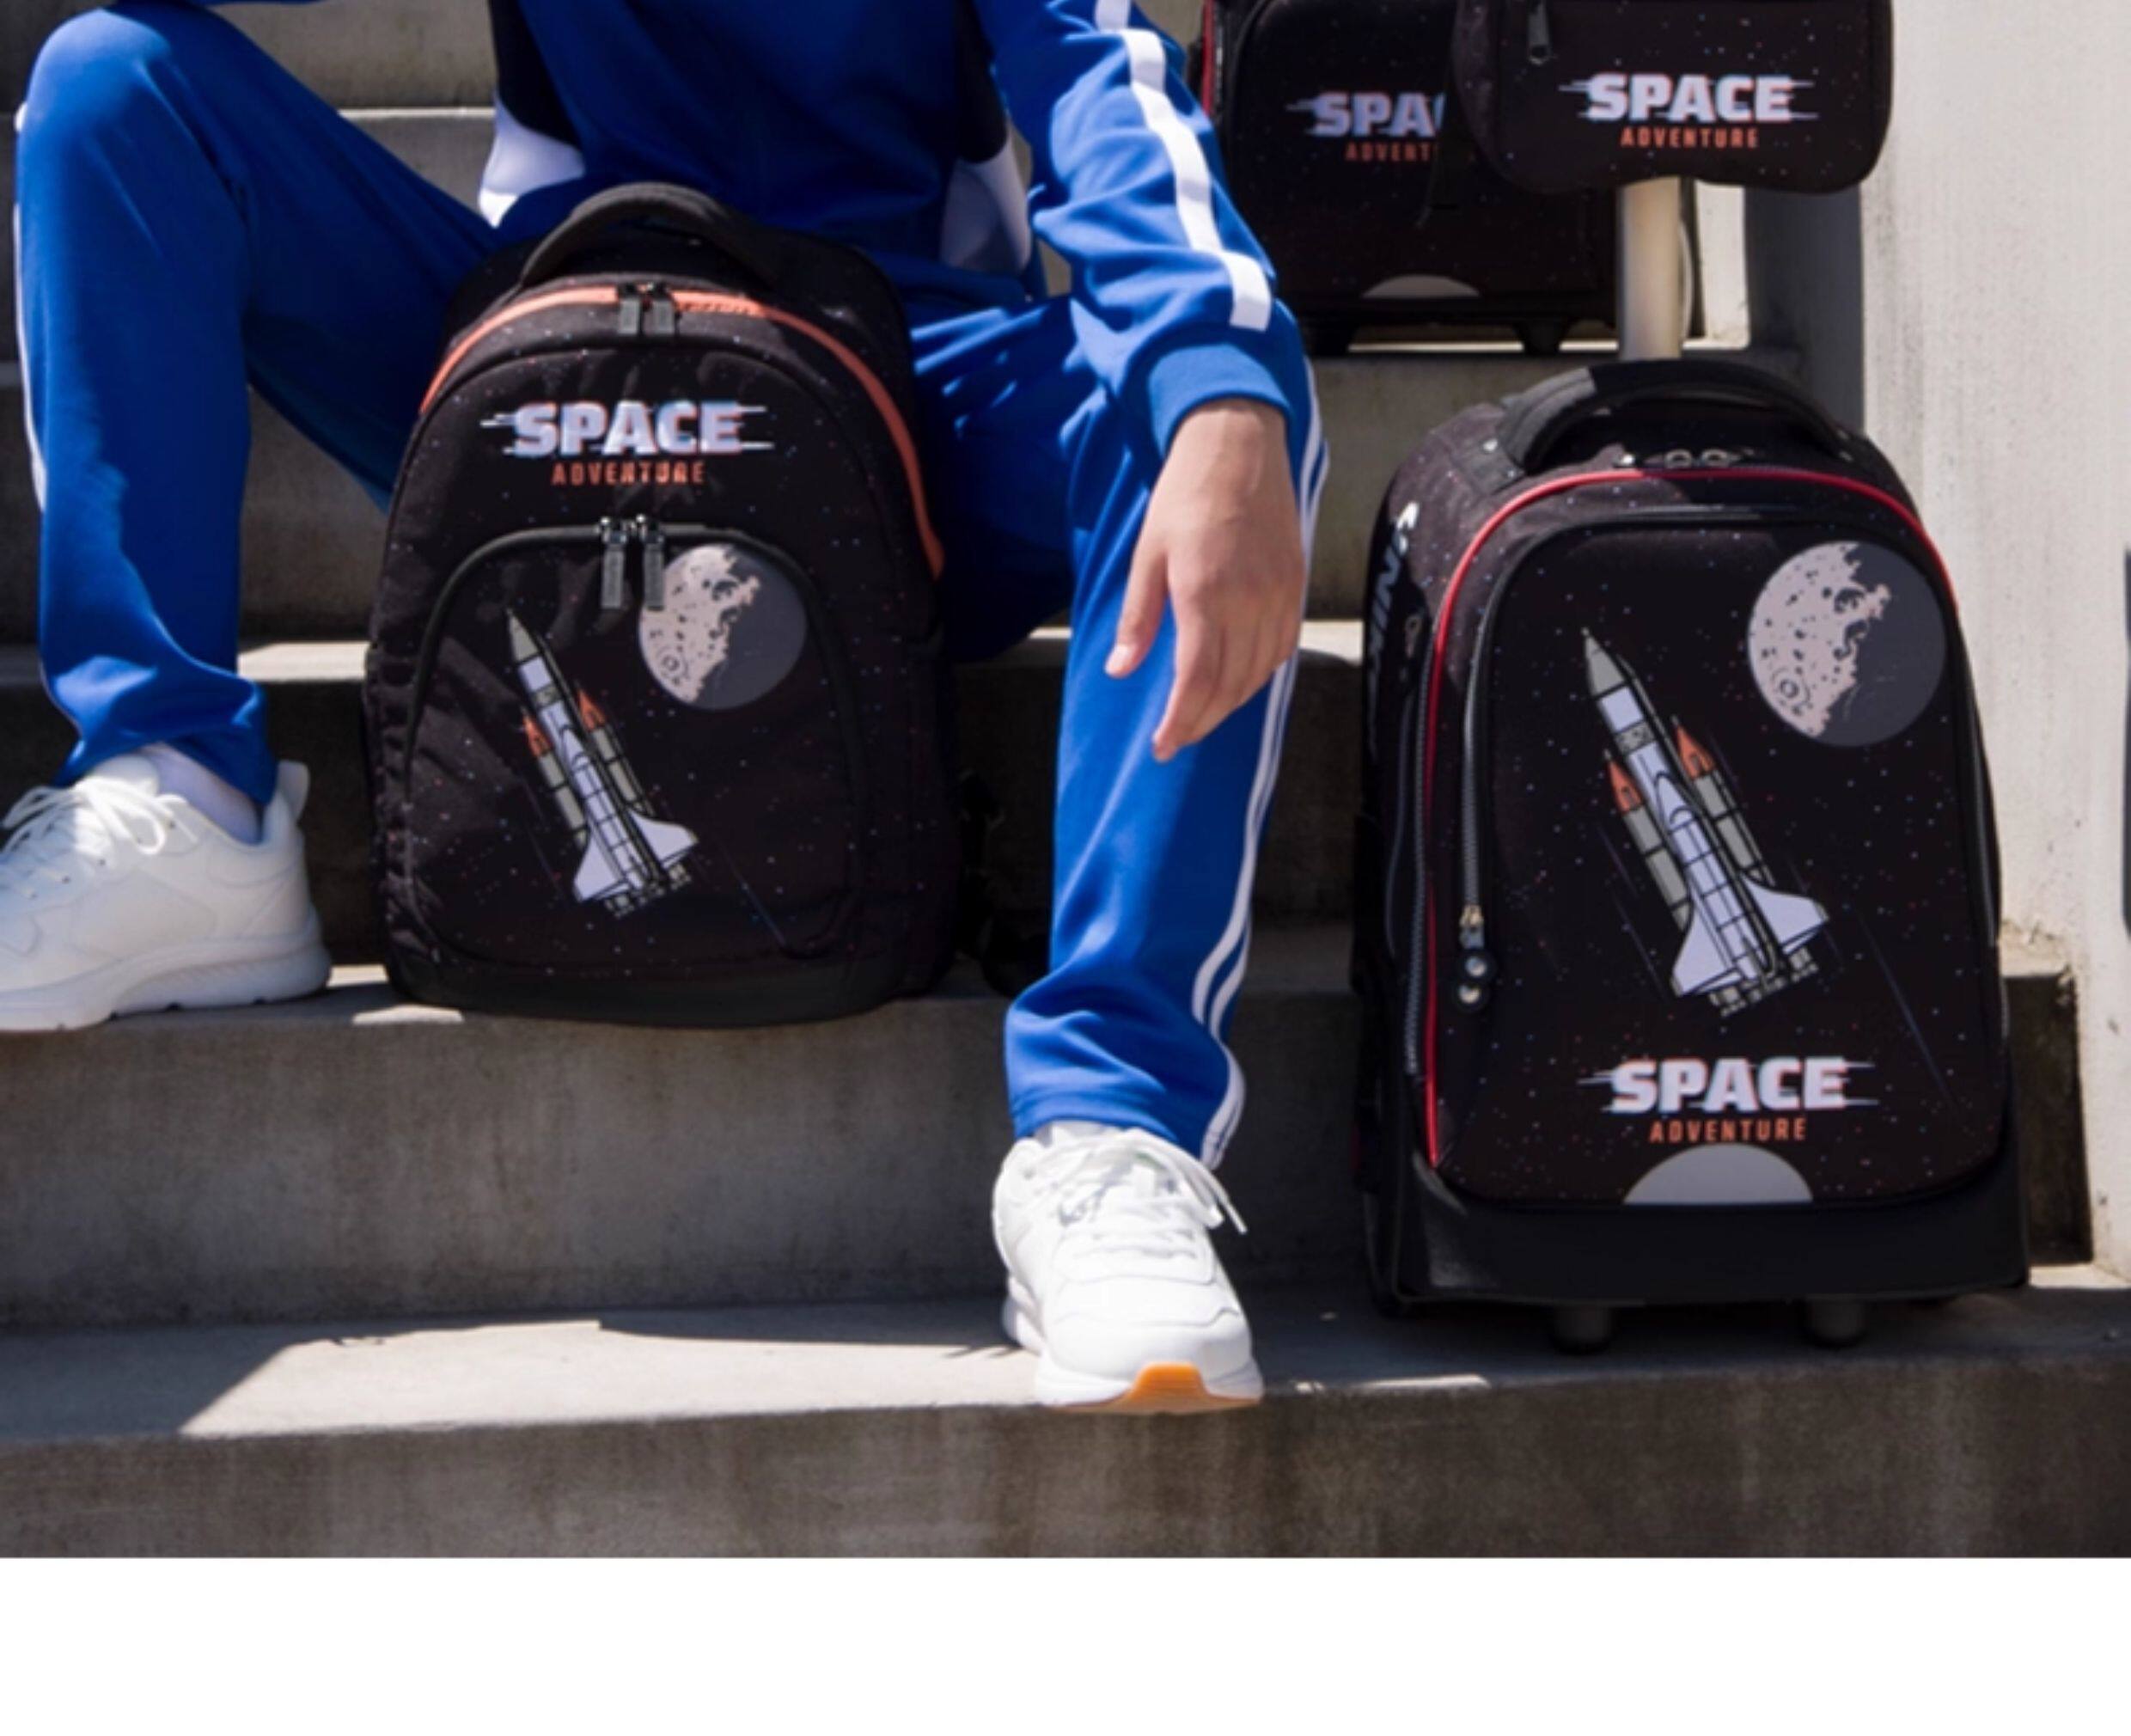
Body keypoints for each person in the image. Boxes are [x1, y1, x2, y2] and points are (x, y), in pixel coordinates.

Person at [9, 0, 1322, 1412]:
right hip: (564, 391)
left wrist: (1211, 363)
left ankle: (1112, 1127)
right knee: (115, 88)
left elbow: (1102, 81)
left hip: (899, 396)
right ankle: (183, 786)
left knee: (1222, 398)